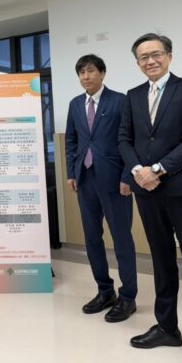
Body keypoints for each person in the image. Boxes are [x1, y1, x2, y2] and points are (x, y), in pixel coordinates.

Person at [118, 33, 182, 363]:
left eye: (156, 54)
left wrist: (157, 169)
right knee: (161, 261)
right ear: (137, 63)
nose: (150, 61)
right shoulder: (133, 96)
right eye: (143, 57)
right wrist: (138, 172)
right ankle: (167, 328)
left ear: (169, 56)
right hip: (148, 193)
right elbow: (124, 140)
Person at [65, 54, 137, 322]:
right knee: (92, 239)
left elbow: (130, 140)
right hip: (85, 180)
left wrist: (128, 176)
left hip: (115, 181)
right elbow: (71, 141)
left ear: (102, 73)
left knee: (122, 239)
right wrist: (71, 172)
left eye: (91, 71)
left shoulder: (120, 101)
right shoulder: (75, 104)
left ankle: (128, 297)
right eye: (81, 72)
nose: (86, 76)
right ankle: (105, 291)